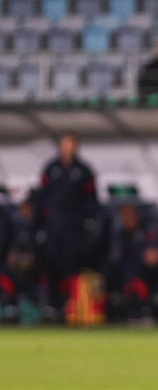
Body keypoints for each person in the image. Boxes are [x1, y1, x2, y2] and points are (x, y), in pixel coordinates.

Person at [34, 133, 98, 318]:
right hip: (53, 228)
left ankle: (71, 305)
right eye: (66, 144)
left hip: (75, 229)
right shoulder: (51, 168)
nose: (69, 148)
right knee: (51, 267)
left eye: (72, 145)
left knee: (72, 268)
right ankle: (52, 305)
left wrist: (89, 223)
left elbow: (91, 200)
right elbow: (42, 198)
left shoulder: (84, 170)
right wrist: (38, 225)